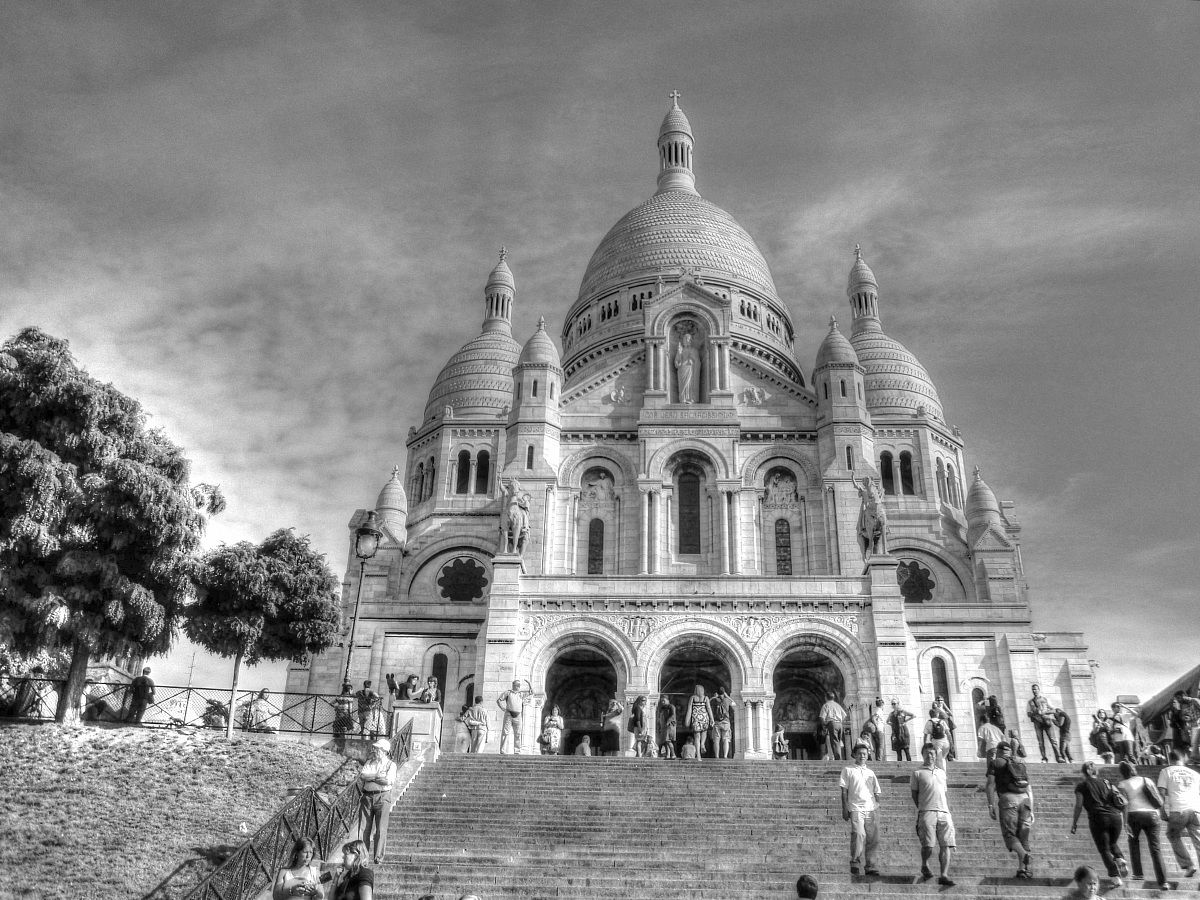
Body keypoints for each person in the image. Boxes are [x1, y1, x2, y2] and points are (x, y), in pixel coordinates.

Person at [1070, 760, 1129, 887]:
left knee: (1104, 849)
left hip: (1098, 818)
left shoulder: (1081, 786)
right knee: (1112, 843)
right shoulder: (1107, 782)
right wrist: (1125, 821)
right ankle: (1119, 859)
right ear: (1095, 771)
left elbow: (1079, 805)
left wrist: (1074, 822)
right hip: (1115, 817)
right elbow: (1121, 800)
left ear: (1084, 772)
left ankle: (1115, 876)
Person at [986, 740, 1035, 879]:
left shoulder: (996, 763)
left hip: (1008, 800)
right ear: (1009, 751)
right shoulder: (1020, 762)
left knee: (1010, 834)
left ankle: (1024, 855)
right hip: (1025, 800)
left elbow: (990, 785)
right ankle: (1023, 869)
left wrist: (991, 805)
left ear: (998, 751)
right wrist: (1032, 810)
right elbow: (1028, 787)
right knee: (1023, 836)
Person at [1117, 760, 1169, 889]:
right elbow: (1158, 799)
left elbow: (1125, 804)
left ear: (1122, 772)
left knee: (1134, 844)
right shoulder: (1147, 780)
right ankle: (1163, 882)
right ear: (1133, 769)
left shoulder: (1123, 784)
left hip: (1133, 815)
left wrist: (1125, 822)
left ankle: (1138, 873)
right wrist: (1161, 813)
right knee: (1155, 849)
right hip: (1152, 815)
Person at [910, 742, 956, 886]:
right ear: (922, 754)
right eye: (927, 753)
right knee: (928, 845)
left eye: (932, 753)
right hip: (927, 811)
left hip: (944, 812)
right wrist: (922, 807)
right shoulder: (917, 773)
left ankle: (944, 874)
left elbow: (945, 793)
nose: (930, 756)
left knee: (946, 844)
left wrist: (948, 810)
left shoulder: (941, 772)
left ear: (936, 756)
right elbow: (914, 794)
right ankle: (925, 864)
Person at [1157, 748, 1200, 882]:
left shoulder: (1166, 771)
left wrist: (1162, 811)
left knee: (1172, 835)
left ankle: (1188, 865)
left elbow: (1161, 793)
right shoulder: (1195, 773)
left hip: (1178, 810)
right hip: (1196, 809)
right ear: (1183, 758)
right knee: (1198, 840)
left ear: (1170, 759)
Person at [839, 742, 882, 876]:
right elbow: (844, 791)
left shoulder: (871, 772)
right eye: (859, 754)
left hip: (871, 808)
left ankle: (870, 865)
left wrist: (877, 806)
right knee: (858, 834)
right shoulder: (848, 770)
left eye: (864, 754)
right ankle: (855, 862)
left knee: (873, 838)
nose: (862, 756)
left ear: (868, 755)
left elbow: (877, 792)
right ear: (854, 755)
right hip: (856, 807)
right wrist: (844, 808)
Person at [358, 738, 395, 865]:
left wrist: (371, 777)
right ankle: (363, 858)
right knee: (363, 828)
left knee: (381, 829)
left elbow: (387, 781)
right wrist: (376, 777)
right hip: (367, 796)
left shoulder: (391, 765)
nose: (375, 750)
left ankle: (378, 858)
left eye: (377, 749)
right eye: (375, 748)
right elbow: (363, 776)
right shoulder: (369, 762)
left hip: (383, 797)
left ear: (384, 751)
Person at [1026, 684, 1062, 763]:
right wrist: (1035, 712)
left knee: (1053, 740)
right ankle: (1044, 758)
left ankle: (1059, 757)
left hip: (1047, 721)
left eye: (1036, 689)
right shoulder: (1030, 702)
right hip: (1037, 722)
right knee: (1040, 742)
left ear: (1039, 690)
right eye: (1033, 689)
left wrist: (1045, 712)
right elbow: (1028, 713)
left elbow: (1054, 710)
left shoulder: (1045, 699)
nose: (1034, 691)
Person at [496, 680, 529, 755]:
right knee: (505, 732)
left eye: (519, 685)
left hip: (518, 715)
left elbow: (532, 692)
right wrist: (502, 708)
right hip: (509, 714)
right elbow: (499, 700)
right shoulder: (508, 693)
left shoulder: (521, 694)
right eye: (516, 685)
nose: (518, 686)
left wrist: (529, 684)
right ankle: (502, 750)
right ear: (513, 685)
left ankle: (517, 751)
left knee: (518, 733)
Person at [685, 685, 713, 759]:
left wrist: (687, 719)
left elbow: (689, 709)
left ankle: (698, 755)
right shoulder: (706, 698)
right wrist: (712, 718)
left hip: (696, 717)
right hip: (704, 717)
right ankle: (702, 744)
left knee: (697, 737)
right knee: (704, 732)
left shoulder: (692, 698)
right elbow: (709, 708)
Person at [673, 330, 699, 403]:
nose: (686, 341)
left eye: (688, 339)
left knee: (691, 383)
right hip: (682, 369)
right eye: (685, 339)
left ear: (690, 341)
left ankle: (691, 398)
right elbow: (676, 360)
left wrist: (693, 360)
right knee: (682, 384)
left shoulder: (694, 350)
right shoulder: (681, 350)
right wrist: (679, 355)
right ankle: (683, 399)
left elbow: (697, 361)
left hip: (691, 369)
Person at [820, 691, 847, 761]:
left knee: (834, 742)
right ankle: (839, 758)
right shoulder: (838, 705)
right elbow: (844, 715)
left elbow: (822, 717)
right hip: (840, 724)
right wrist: (840, 721)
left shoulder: (826, 705)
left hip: (832, 724)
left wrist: (825, 725)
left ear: (826, 698)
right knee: (838, 742)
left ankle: (838, 759)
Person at [930, 695, 957, 760]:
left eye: (941, 700)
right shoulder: (936, 709)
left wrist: (944, 705)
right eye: (938, 700)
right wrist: (940, 707)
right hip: (941, 728)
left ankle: (950, 756)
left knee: (949, 741)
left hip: (947, 727)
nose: (940, 701)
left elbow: (951, 714)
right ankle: (948, 757)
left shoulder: (943, 709)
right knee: (945, 741)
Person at [711, 687, 734, 759]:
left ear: (717, 693)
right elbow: (735, 704)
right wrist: (727, 697)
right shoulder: (727, 700)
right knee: (726, 739)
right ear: (724, 693)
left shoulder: (715, 700)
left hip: (717, 722)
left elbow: (707, 703)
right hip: (726, 721)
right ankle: (725, 756)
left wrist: (714, 697)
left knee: (716, 739)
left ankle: (717, 756)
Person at [331, 683, 354, 753]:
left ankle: (338, 747)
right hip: (346, 716)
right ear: (349, 690)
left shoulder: (339, 697)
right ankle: (342, 748)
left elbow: (331, 703)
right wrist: (350, 717)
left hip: (338, 715)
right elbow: (350, 708)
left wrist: (337, 707)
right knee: (345, 730)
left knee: (339, 730)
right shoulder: (349, 698)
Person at [656, 694, 677, 759]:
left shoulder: (671, 706)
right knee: (665, 741)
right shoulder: (662, 708)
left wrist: (667, 722)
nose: (662, 702)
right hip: (663, 727)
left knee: (668, 740)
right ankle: (668, 755)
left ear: (668, 700)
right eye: (661, 701)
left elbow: (673, 715)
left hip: (669, 726)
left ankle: (673, 754)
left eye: (664, 700)